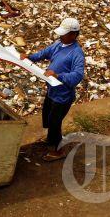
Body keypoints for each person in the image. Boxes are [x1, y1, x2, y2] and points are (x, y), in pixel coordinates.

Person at [21, 18, 85, 161]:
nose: (61, 36)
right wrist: (30, 57)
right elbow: (44, 53)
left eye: (65, 34)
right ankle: (51, 140)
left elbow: (77, 75)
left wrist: (58, 75)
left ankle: (59, 150)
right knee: (48, 117)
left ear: (74, 35)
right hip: (52, 91)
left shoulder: (77, 53)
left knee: (55, 123)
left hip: (63, 96)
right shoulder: (58, 45)